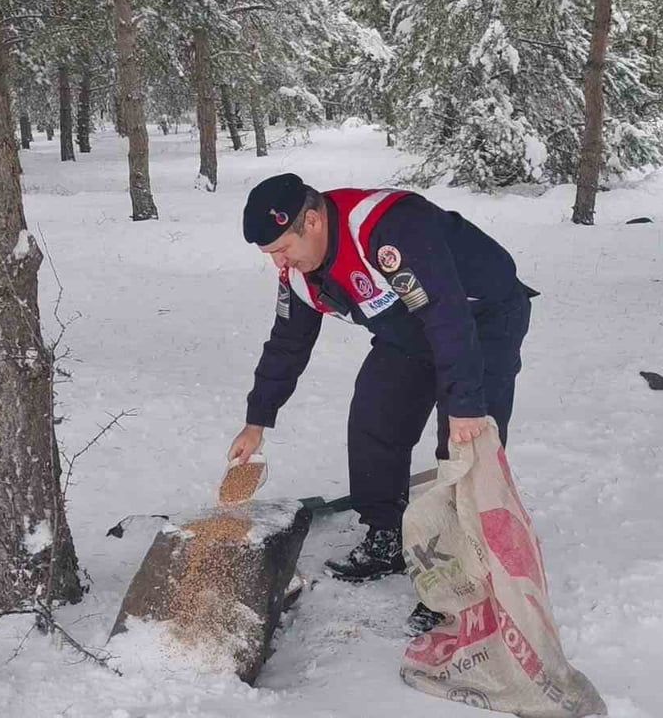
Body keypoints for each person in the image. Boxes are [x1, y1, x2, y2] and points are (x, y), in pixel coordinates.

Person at [228, 173, 536, 633]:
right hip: (409, 328)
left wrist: (466, 405)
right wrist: (258, 419)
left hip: (479, 316)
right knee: (375, 418)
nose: (278, 263)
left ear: (311, 221)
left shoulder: (385, 229)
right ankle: (386, 535)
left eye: (281, 248)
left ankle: (459, 577)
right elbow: (286, 345)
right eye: (269, 254)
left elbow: (447, 317)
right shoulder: (298, 272)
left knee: (462, 448)